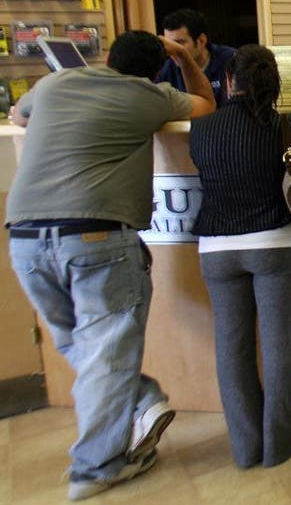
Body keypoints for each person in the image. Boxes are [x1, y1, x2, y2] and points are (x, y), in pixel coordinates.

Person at [7, 30, 216, 501]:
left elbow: (17, 114)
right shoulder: (149, 95)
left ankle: (138, 400)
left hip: (24, 240)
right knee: (105, 352)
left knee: (80, 344)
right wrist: (184, 59)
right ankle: (96, 466)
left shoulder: (56, 83)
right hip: (96, 238)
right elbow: (205, 104)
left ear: (106, 56)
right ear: (156, 69)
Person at [189, 44, 291, 469]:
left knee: (232, 346)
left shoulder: (201, 128)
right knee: (279, 345)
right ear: (274, 83)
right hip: (276, 245)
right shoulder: (285, 125)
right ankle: (281, 444)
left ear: (228, 81)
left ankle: (245, 448)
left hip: (217, 249)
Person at [156, 8, 236, 105]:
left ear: (201, 41)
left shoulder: (232, 60)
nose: (174, 50)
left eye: (179, 43)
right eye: (170, 44)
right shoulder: (166, 68)